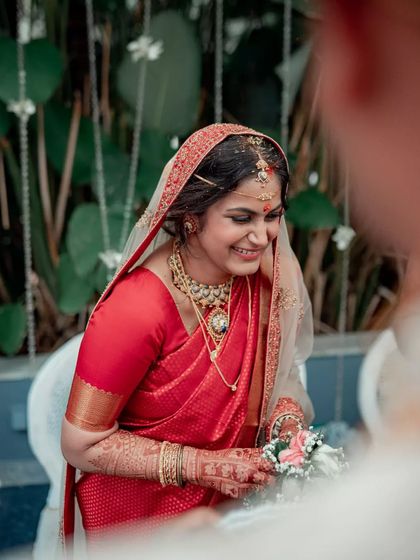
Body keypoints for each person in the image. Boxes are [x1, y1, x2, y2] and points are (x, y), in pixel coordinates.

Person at [60, 123, 314, 544]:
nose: (262, 236)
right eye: (241, 218)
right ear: (192, 217)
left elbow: (281, 369)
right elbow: (81, 444)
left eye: (273, 217)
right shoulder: (135, 309)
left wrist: (285, 424)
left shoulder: (270, 277)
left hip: (236, 506)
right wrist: (204, 466)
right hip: (142, 524)